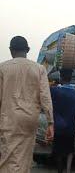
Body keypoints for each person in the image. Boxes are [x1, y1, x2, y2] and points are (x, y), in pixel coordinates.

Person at [0, 36, 54, 173]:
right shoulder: (39, 69)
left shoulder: (3, 68)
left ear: (11, 51)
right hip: (30, 118)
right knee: (25, 155)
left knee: (8, 155)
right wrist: (50, 123)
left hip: (8, 118)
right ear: (27, 50)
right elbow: (45, 98)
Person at [50, 69, 75, 173]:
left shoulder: (54, 91)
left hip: (57, 127)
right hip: (70, 128)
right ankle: (68, 170)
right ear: (71, 78)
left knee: (58, 151)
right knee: (69, 150)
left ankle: (60, 171)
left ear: (60, 77)